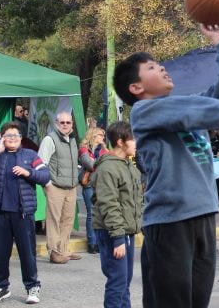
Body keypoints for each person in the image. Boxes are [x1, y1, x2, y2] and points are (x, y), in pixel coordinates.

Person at [113, 22, 219, 308]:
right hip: (170, 221)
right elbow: (197, 111)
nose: (162, 68)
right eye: (151, 67)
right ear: (136, 87)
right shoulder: (144, 112)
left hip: (203, 215)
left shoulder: (187, 105)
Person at [0, 122, 50, 305]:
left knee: (27, 253)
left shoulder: (29, 155)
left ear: (21, 138)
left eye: (15, 136)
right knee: (0, 253)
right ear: (2, 138)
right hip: (0, 213)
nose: (12, 139)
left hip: (23, 213)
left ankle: (32, 287)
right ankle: (1, 287)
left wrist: (28, 172)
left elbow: (45, 176)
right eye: (8, 136)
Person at [91, 121, 143, 308]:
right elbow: (109, 205)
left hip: (125, 231)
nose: (136, 143)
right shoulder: (109, 168)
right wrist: (118, 238)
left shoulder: (128, 165)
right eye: (133, 139)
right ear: (120, 142)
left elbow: (134, 201)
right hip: (112, 233)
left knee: (124, 282)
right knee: (117, 282)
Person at [38, 111, 80, 264]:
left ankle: (63, 249)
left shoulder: (73, 140)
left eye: (68, 123)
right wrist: (47, 184)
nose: (65, 125)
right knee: (54, 219)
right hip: (55, 186)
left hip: (71, 186)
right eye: (62, 122)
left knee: (67, 219)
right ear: (56, 123)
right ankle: (54, 252)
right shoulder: (50, 139)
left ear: (72, 125)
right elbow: (41, 163)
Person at [78, 126, 106, 254]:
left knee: (101, 215)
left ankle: (99, 242)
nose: (103, 137)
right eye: (100, 135)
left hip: (102, 185)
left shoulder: (104, 149)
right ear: (93, 135)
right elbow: (89, 164)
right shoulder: (84, 148)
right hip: (89, 184)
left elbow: (109, 165)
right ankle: (92, 243)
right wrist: (100, 163)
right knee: (91, 213)